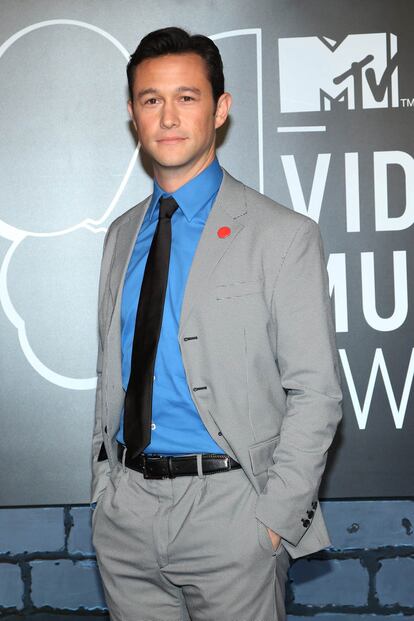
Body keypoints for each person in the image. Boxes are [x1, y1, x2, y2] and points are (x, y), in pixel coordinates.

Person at [91, 26, 342, 621]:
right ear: (133, 114)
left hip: (233, 516)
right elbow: (112, 373)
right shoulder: (122, 234)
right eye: (152, 99)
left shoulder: (282, 235)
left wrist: (271, 522)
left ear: (220, 109)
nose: (169, 116)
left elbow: (317, 393)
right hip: (126, 517)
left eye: (188, 96)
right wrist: (104, 489)